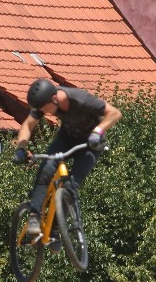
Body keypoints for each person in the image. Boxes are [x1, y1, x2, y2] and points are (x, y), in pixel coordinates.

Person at [13, 78, 122, 236]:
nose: (43, 111)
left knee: (71, 185)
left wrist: (97, 132)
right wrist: (20, 149)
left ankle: (57, 228)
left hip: (90, 144)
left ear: (54, 98)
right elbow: (27, 125)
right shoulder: (45, 102)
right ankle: (34, 216)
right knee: (45, 171)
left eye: (44, 108)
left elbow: (115, 113)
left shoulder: (80, 100)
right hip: (67, 138)